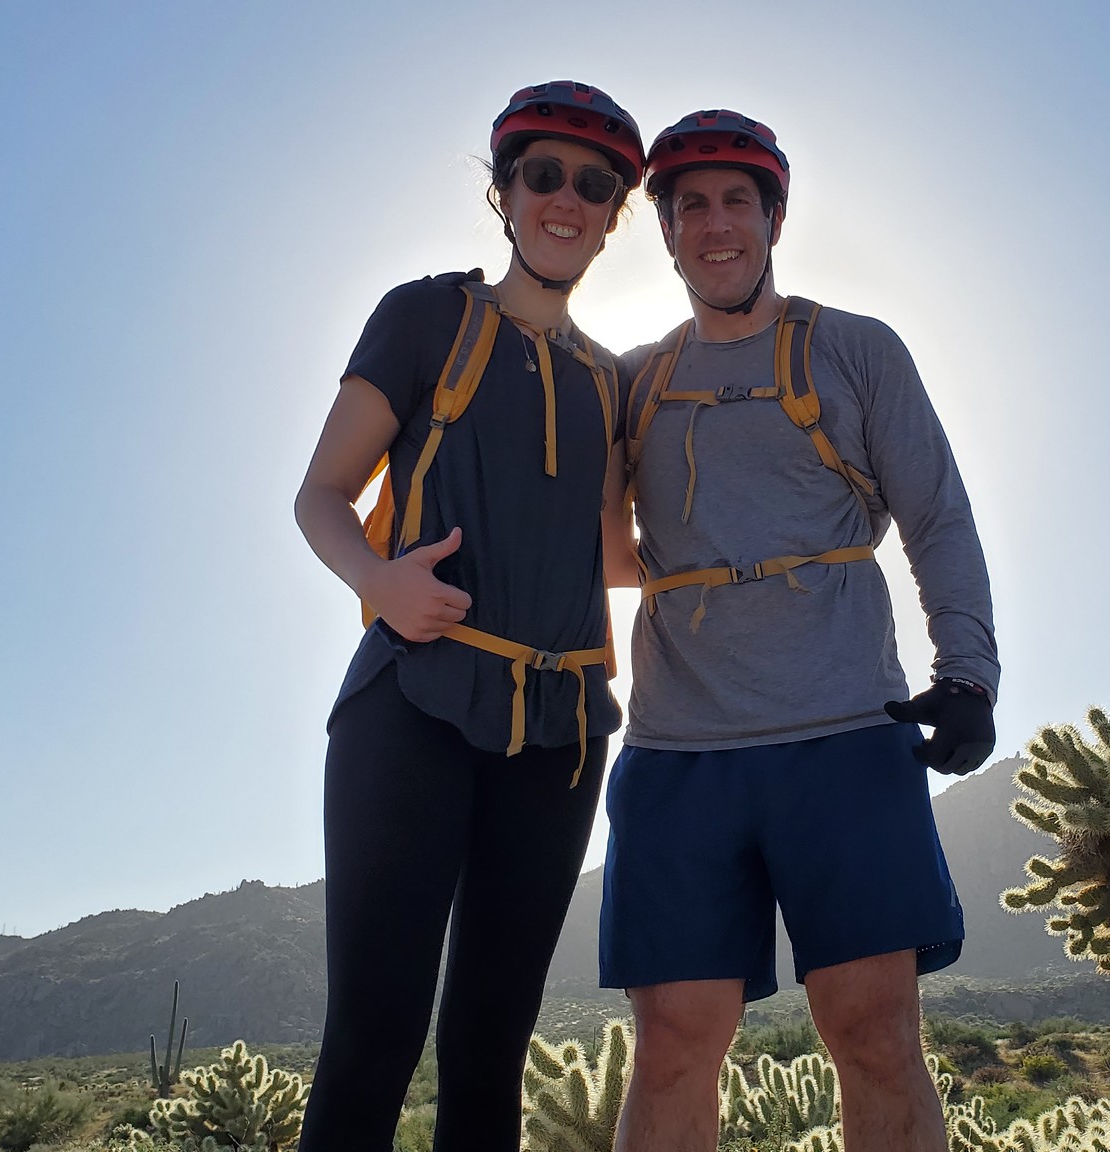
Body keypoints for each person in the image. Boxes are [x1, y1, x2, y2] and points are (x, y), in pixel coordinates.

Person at [600, 109, 1000, 1152]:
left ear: (774, 219)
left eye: (738, 200)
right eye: (691, 205)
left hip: (842, 733)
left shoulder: (856, 351)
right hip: (677, 751)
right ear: (668, 230)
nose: (715, 224)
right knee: (676, 1040)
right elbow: (575, 534)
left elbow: (937, 516)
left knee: (870, 1030)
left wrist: (968, 675)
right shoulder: (632, 380)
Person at [291, 80, 643, 1151]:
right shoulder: (424, 315)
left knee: (491, 1043)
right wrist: (381, 584)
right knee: (374, 1031)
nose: (566, 199)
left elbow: (616, 556)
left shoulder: (613, 382)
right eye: (543, 175)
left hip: (560, 735)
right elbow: (320, 497)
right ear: (503, 192)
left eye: (595, 185)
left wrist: (787, 553)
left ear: (615, 213)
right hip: (412, 701)